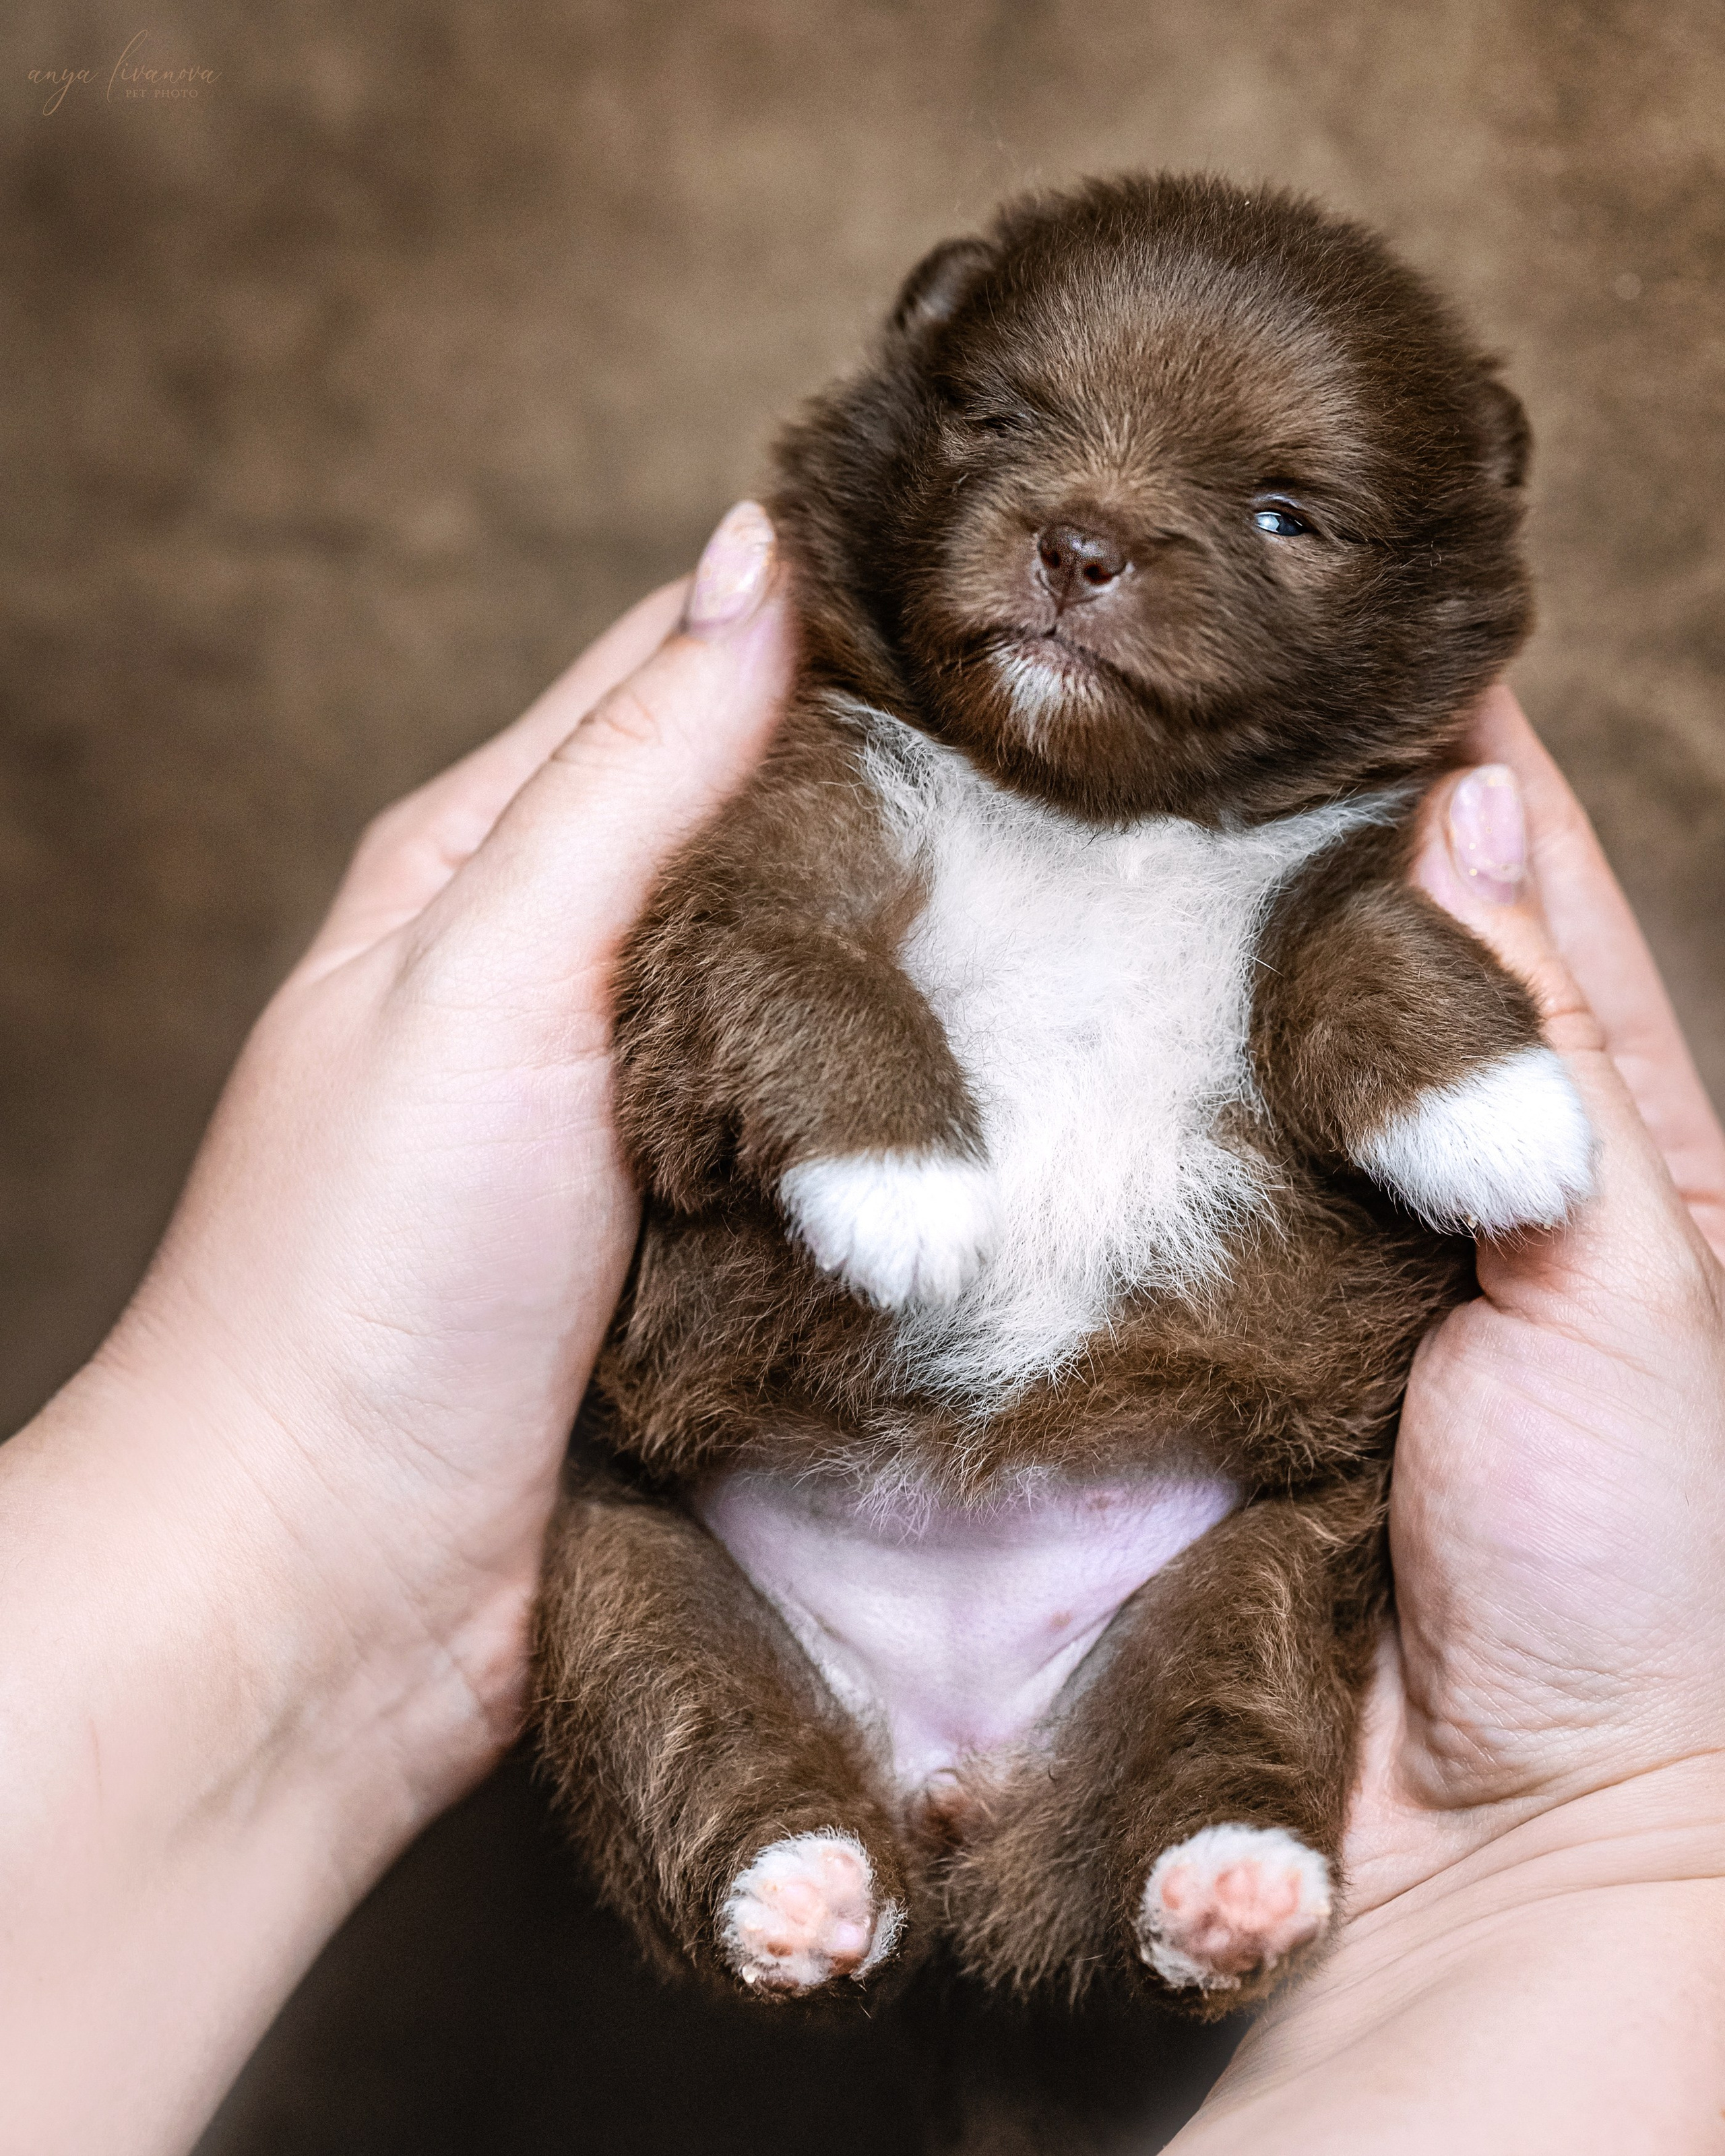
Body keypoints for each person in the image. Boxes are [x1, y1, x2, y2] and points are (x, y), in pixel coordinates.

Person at [1, 503, 1721, 2156]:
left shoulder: (1343, 859)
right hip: (762, 1536)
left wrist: (1426, 1054)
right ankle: (757, 1830)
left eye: (1282, 511)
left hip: (1160, 1553)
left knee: (1275, 1584)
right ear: (899, 428)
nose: (1087, 524)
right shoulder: (842, 769)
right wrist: (1606, 1844)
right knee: (617, 1577)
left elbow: (1347, 981)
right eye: (997, 418)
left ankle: (1203, 1815)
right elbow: (732, 952)